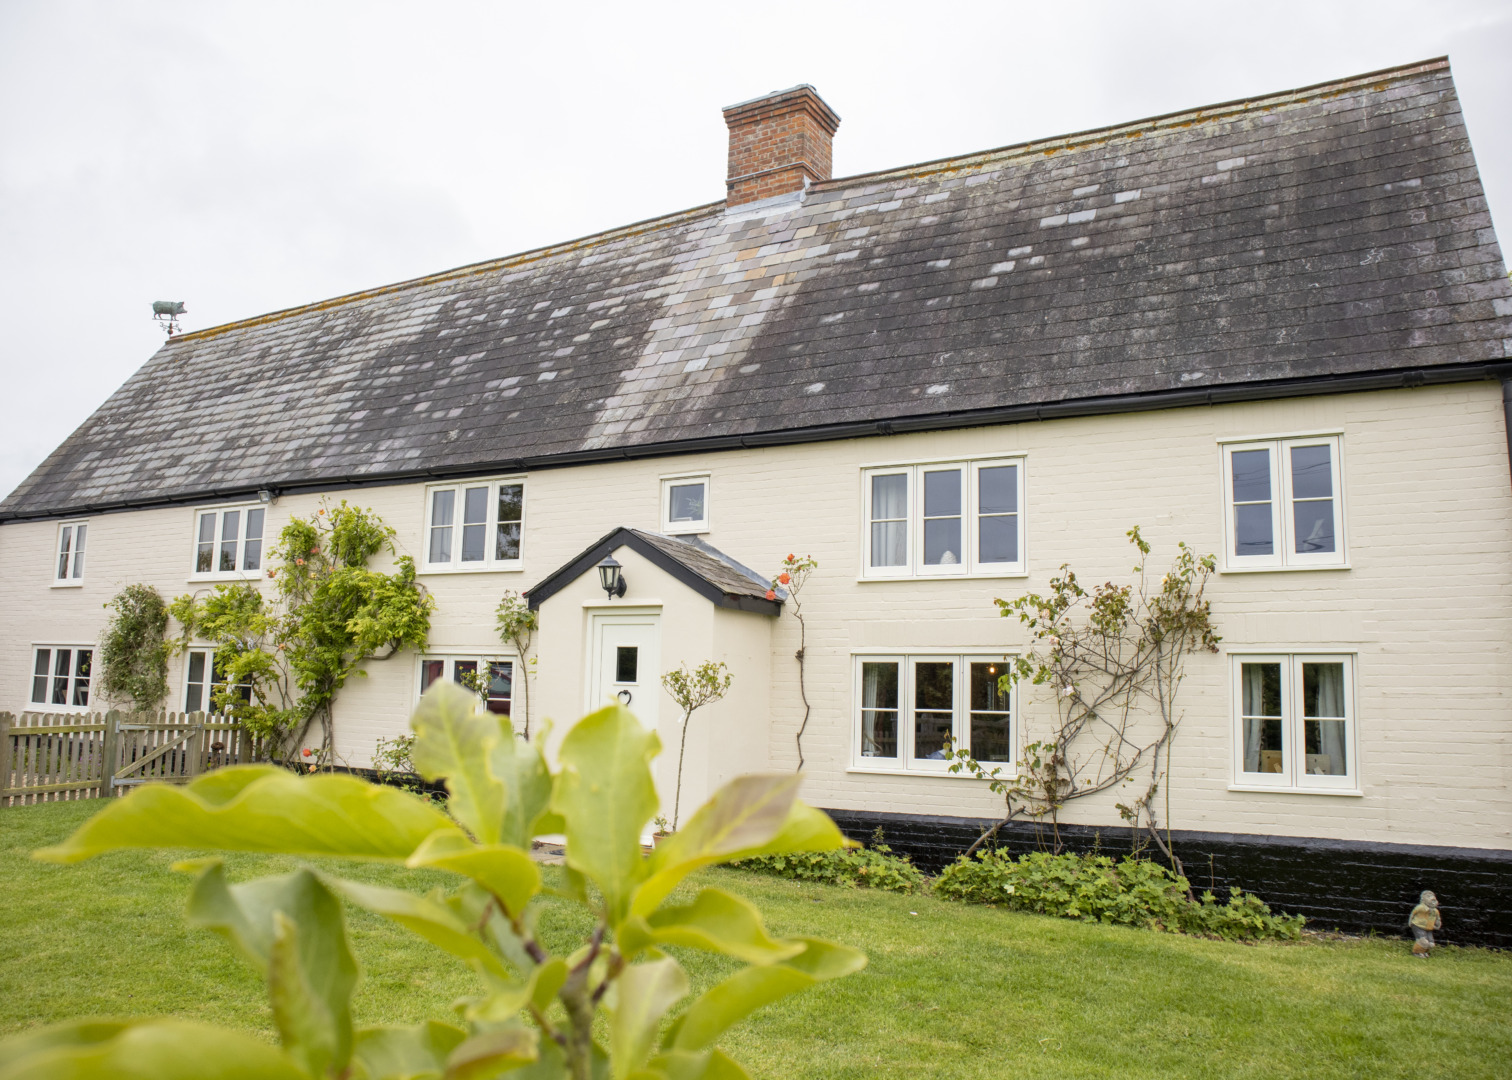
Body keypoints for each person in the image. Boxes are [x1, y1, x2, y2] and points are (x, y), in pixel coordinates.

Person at [1408, 890, 1442, 957]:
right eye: (1428, 896)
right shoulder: (1420, 908)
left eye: (1432, 896)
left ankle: (1424, 952)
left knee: (1431, 944)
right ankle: (1416, 952)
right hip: (1418, 926)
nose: (1432, 899)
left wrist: (1438, 925)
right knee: (1423, 941)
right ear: (1423, 899)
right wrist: (1410, 923)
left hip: (1429, 927)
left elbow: (1438, 919)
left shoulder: (1435, 911)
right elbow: (1413, 914)